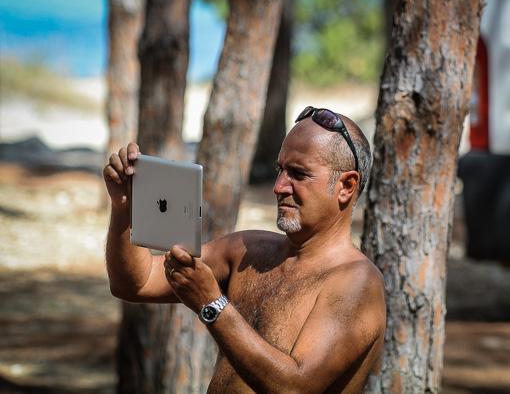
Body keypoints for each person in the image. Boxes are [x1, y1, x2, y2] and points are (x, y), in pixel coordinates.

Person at [104, 106, 386, 393]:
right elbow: (134, 283)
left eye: (298, 174)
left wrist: (211, 304)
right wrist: (125, 210)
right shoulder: (248, 251)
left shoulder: (357, 284)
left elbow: (296, 388)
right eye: (280, 170)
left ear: (346, 186)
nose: (279, 187)